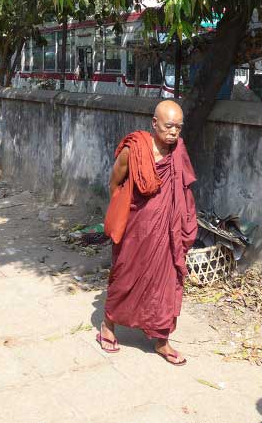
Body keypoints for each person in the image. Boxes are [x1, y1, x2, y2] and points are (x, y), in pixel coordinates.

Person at [99, 100, 197, 365]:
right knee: (125, 275)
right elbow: (115, 184)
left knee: (166, 282)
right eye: (168, 126)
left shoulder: (178, 151)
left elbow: (183, 190)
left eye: (179, 127)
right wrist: (124, 217)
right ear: (155, 124)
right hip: (135, 230)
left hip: (167, 232)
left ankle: (162, 340)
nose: (174, 132)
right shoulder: (135, 150)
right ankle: (108, 325)